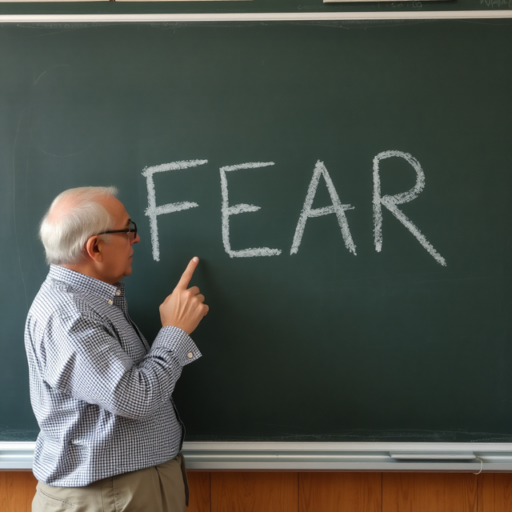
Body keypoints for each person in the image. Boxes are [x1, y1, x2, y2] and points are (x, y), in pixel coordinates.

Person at [25, 186, 208, 512]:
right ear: (95, 247)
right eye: (128, 230)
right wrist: (175, 331)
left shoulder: (90, 302)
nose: (135, 239)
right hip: (109, 497)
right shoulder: (68, 315)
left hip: (119, 492)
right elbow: (133, 398)